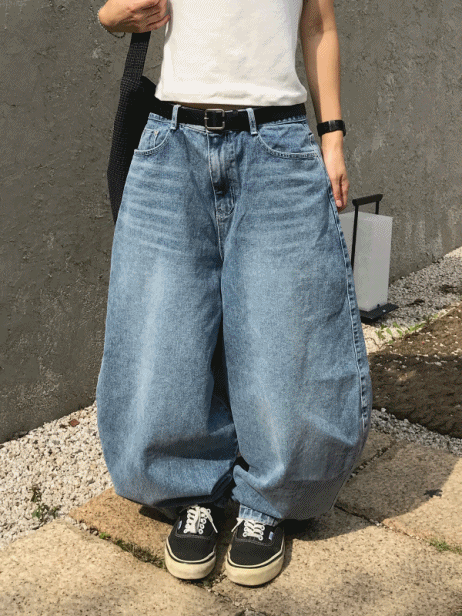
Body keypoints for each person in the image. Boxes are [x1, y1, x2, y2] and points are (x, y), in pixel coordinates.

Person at [96, 0, 373, 587]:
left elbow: (319, 24)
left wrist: (333, 139)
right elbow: (112, 12)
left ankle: (268, 500)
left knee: (288, 331)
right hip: (171, 141)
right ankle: (188, 491)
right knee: (164, 331)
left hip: (276, 142)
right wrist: (117, 16)